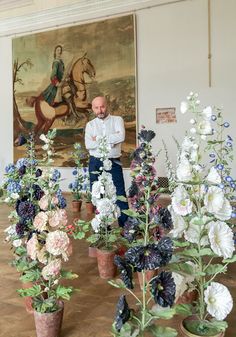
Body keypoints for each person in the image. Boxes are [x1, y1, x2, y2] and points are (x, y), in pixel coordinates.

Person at [85, 96, 129, 226]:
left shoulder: (117, 120)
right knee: (97, 194)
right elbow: (88, 144)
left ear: (107, 105)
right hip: (95, 162)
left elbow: (121, 136)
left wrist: (97, 139)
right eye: (96, 108)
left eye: (102, 106)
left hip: (113, 162)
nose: (100, 110)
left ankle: (126, 226)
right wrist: (111, 141)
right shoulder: (90, 125)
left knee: (120, 193)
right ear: (93, 109)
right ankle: (104, 227)